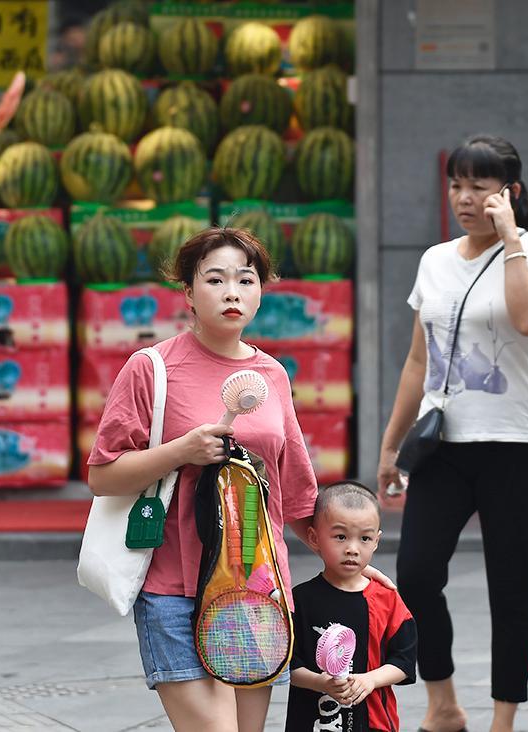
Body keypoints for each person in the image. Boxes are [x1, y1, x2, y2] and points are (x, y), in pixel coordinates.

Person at [87, 228, 390, 732]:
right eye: (215, 279)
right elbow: (102, 475)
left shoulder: (272, 376)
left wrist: (348, 557)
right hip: (174, 591)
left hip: (257, 590)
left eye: (246, 280)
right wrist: (182, 451)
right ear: (188, 292)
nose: (232, 292)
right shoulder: (152, 369)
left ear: (260, 293)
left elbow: (297, 494)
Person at [376, 134, 528, 732]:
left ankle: (503, 719)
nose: (464, 198)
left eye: (478, 187)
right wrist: (391, 445)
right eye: (456, 185)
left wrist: (510, 238)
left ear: (507, 193)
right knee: (415, 576)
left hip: (519, 448)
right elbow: (419, 360)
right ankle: (443, 704)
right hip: (443, 447)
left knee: (509, 588)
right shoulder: (435, 260)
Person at [286, 481, 417, 732]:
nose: (352, 549)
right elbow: (287, 665)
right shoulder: (300, 600)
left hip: (374, 722)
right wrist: (320, 683)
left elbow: (404, 660)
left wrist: (370, 680)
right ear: (313, 537)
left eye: (365, 538)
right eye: (340, 537)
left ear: (376, 541)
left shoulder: (387, 599)